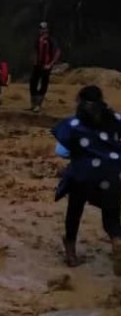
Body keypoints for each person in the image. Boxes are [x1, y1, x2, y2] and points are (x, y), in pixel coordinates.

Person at [52, 85, 121, 274]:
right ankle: (117, 239)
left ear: (80, 101)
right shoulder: (115, 118)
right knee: (111, 213)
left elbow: (62, 151)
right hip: (112, 172)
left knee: (75, 208)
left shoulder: (74, 124)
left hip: (83, 174)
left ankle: (71, 250)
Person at [29, 21, 61, 113]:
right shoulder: (38, 39)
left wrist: (51, 64)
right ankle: (33, 104)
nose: (42, 30)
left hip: (46, 65)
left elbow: (57, 52)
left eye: (44, 29)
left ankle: (38, 104)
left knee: (43, 84)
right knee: (33, 83)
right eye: (41, 28)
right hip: (37, 65)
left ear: (47, 29)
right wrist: (33, 60)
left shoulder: (51, 40)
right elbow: (34, 50)